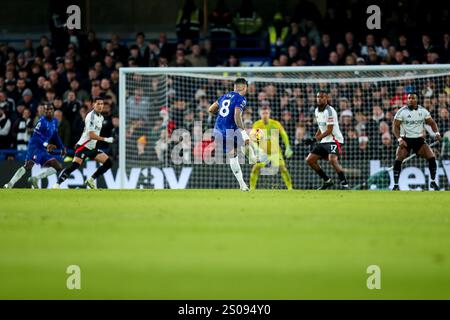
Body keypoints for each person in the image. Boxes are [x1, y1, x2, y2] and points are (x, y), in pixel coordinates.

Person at [53, 98, 114, 189]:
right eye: (98, 104)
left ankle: (91, 180)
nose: (101, 106)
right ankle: (57, 184)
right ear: (93, 105)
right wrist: (105, 139)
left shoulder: (101, 117)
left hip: (92, 147)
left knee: (108, 163)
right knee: (74, 166)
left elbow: (86, 131)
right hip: (83, 146)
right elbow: (91, 135)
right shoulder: (90, 116)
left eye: (102, 104)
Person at [208, 78, 256, 191]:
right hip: (230, 130)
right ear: (244, 87)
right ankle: (254, 159)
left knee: (233, 155)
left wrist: (222, 116)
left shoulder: (224, 96)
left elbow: (211, 109)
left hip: (218, 130)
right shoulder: (241, 98)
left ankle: (242, 185)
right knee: (245, 142)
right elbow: (237, 116)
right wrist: (244, 133)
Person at [4, 104, 66, 189]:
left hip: (43, 148)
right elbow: (36, 137)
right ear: (44, 111)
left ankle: (35, 178)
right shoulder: (41, 122)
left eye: (50, 109)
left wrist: (62, 147)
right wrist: (47, 144)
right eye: (46, 110)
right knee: (28, 165)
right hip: (35, 146)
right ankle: (10, 184)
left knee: (58, 166)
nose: (48, 111)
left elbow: (55, 134)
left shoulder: (55, 121)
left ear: (53, 110)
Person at [391, 93, 441, 190]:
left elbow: (432, 123)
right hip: (406, 140)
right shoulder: (402, 112)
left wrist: (437, 133)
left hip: (419, 140)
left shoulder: (423, 111)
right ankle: (396, 185)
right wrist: (400, 139)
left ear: (416, 100)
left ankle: (433, 182)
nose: (410, 100)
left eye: (412, 98)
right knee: (398, 158)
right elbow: (395, 127)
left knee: (432, 157)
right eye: (409, 98)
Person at [305, 91, 349, 189]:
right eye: (317, 97)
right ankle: (327, 181)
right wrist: (314, 140)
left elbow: (329, 130)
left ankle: (345, 184)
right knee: (309, 160)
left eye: (321, 97)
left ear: (326, 98)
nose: (319, 99)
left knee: (332, 159)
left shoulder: (330, 111)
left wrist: (315, 138)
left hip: (334, 139)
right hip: (324, 140)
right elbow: (321, 127)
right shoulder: (316, 110)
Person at [250, 106, 293, 190]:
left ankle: (290, 188)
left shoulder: (275, 123)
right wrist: (256, 148)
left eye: (266, 113)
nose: (265, 115)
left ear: (269, 114)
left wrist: (288, 146)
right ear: (260, 114)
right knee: (255, 168)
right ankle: (252, 188)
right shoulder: (257, 124)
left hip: (275, 152)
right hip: (263, 152)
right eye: (263, 113)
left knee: (283, 169)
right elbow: (253, 139)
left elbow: (283, 134)